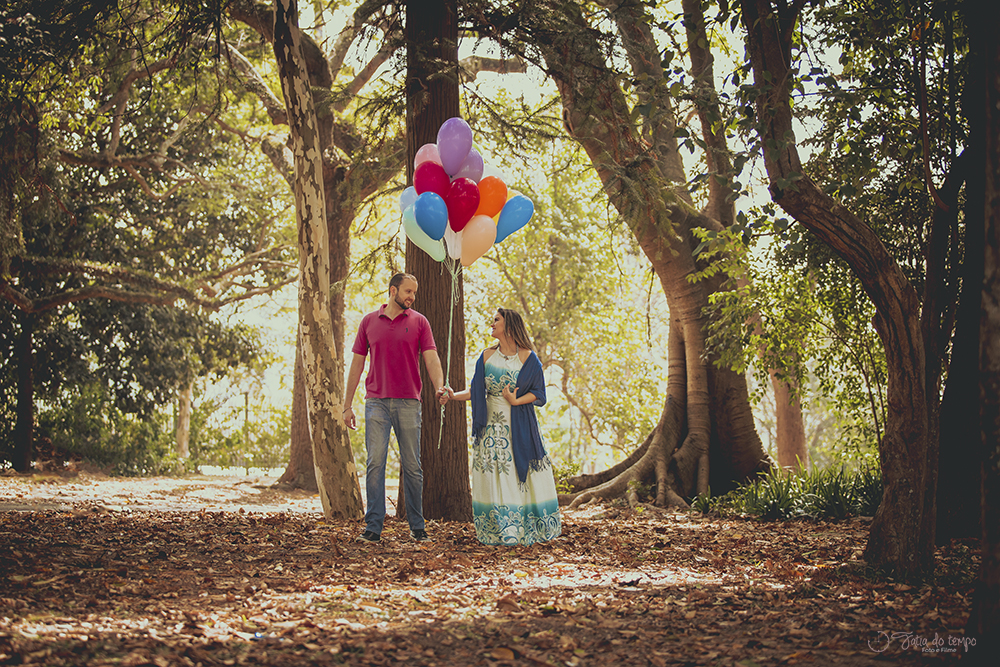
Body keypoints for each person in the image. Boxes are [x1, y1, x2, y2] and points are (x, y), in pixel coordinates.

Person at [344, 272, 448, 544]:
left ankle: (417, 526)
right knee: (374, 464)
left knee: (413, 466)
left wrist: (440, 385)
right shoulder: (368, 322)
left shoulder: (419, 322)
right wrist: (347, 405)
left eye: (414, 292)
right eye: (408, 292)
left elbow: (431, 357)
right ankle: (373, 527)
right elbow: (356, 365)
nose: (412, 297)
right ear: (393, 291)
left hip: (409, 402)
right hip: (375, 402)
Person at [443, 308, 561, 546]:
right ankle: (497, 529)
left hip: (518, 426)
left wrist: (516, 400)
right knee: (492, 474)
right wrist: (453, 396)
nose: (492, 323)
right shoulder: (487, 356)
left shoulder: (528, 358)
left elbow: (539, 393)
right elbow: (476, 390)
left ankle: (520, 528)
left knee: (517, 475)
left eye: (497, 319)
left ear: (509, 325)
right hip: (490, 428)